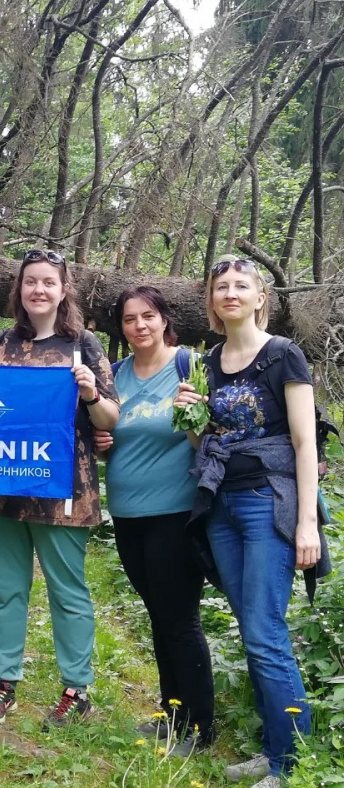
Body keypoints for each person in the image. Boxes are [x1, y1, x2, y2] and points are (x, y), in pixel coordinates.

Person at [175, 255, 331, 786]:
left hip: (270, 502)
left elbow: (305, 442)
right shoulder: (210, 362)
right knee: (251, 629)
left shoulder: (284, 355)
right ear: (212, 301)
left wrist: (306, 523)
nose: (231, 293)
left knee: (266, 633)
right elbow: (206, 441)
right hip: (221, 506)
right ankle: (274, 748)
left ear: (261, 297)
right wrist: (189, 412)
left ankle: (290, 767)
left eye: (242, 285)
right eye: (221, 287)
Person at [0, 248, 119, 728]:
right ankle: (3, 683)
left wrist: (90, 392)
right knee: (7, 591)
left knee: (68, 590)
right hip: (1, 489)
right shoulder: (0, 345)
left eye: (48, 282)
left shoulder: (84, 344)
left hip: (64, 490)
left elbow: (111, 418)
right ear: (19, 289)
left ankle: (76, 689)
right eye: (30, 282)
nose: (39, 290)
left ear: (63, 288)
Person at [94, 286, 214, 755]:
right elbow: (110, 433)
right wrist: (104, 443)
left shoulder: (189, 367)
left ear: (165, 319)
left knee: (180, 619)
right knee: (158, 615)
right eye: (129, 319)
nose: (139, 326)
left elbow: (204, 440)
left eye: (148, 316)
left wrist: (193, 417)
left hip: (175, 512)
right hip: (126, 512)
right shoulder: (117, 373)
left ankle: (200, 729)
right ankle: (173, 713)